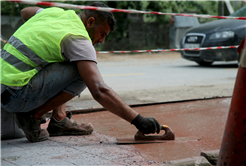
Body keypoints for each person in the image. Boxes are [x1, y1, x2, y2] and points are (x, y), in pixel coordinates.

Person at [0, 1, 161, 142]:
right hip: (14, 96)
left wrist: (38, 32)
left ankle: (59, 119)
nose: (101, 40)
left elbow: (25, 11)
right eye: (102, 34)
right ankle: (32, 116)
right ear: (90, 22)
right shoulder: (79, 38)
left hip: (5, 86)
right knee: (82, 71)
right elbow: (99, 90)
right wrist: (138, 120)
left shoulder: (56, 14)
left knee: (65, 57)